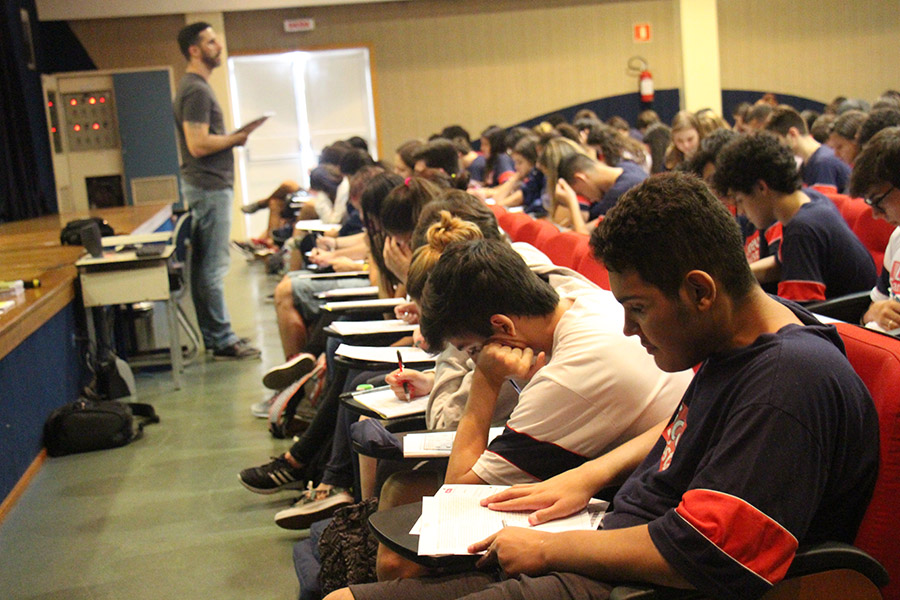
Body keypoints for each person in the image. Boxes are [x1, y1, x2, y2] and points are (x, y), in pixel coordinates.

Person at [326, 172, 879, 600]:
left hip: (634, 584)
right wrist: (589, 474)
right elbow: (681, 429)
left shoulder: (787, 383)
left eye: (638, 308)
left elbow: (706, 551)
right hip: (610, 546)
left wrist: (552, 550)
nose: (629, 330)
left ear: (700, 292)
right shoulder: (745, 335)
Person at [173, 22, 262, 359]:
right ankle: (222, 339)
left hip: (207, 186)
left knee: (205, 267)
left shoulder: (195, 88)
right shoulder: (196, 90)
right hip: (208, 186)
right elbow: (197, 144)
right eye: (211, 42)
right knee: (212, 267)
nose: (218, 46)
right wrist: (236, 138)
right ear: (194, 50)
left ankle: (217, 336)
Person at [712, 131, 876, 302]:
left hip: (845, 314)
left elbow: (800, 310)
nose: (741, 212)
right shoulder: (811, 199)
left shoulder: (801, 230)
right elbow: (780, 264)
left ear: (761, 188)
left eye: (740, 200)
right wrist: (730, 277)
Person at [848, 127, 900, 332]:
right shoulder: (897, 237)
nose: (876, 215)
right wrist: (875, 313)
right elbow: (872, 311)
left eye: (877, 201)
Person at [765, 105, 852, 193]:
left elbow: (822, 201)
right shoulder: (806, 165)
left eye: (778, 141)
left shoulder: (823, 162)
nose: (777, 148)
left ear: (792, 134)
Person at [554, 153, 647, 234]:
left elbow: (583, 238)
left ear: (580, 178)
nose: (590, 200)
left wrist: (572, 202)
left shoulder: (621, 193)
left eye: (580, 193)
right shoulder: (628, 166)